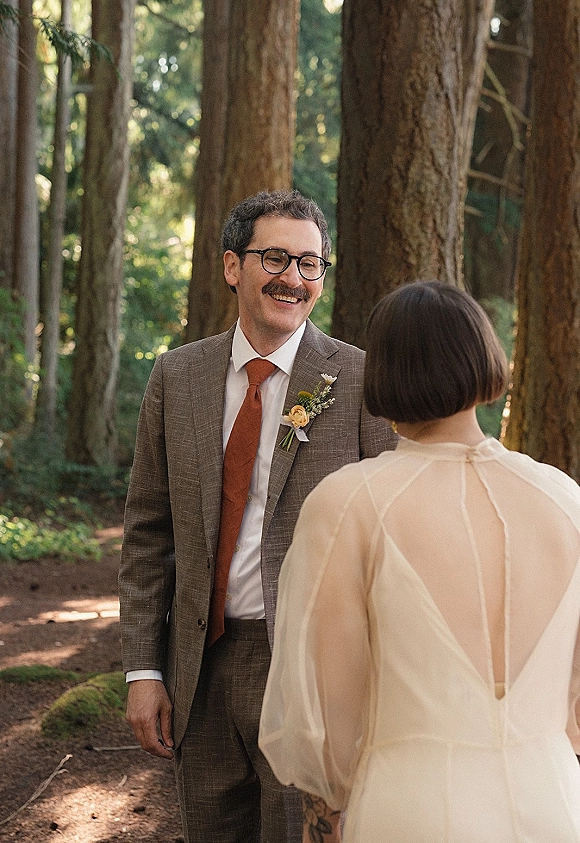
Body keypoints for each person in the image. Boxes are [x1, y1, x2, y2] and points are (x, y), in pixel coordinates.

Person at [118, 189, 395, 843]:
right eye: (275, 258)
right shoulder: (176, 377)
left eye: (310, 264)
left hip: (313, 672)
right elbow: (148, 533)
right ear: (232, 266)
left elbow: (391, 530)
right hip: (201, 667)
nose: (293, 279)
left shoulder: (359, 380)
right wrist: (143, 670)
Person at [259, 279, 580, 842]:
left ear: (384, 373)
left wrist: (325, 816)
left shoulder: (350, 503)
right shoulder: (564, 499)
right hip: (554, 799)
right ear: (485, 357)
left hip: (412, 808)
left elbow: (328, 714)